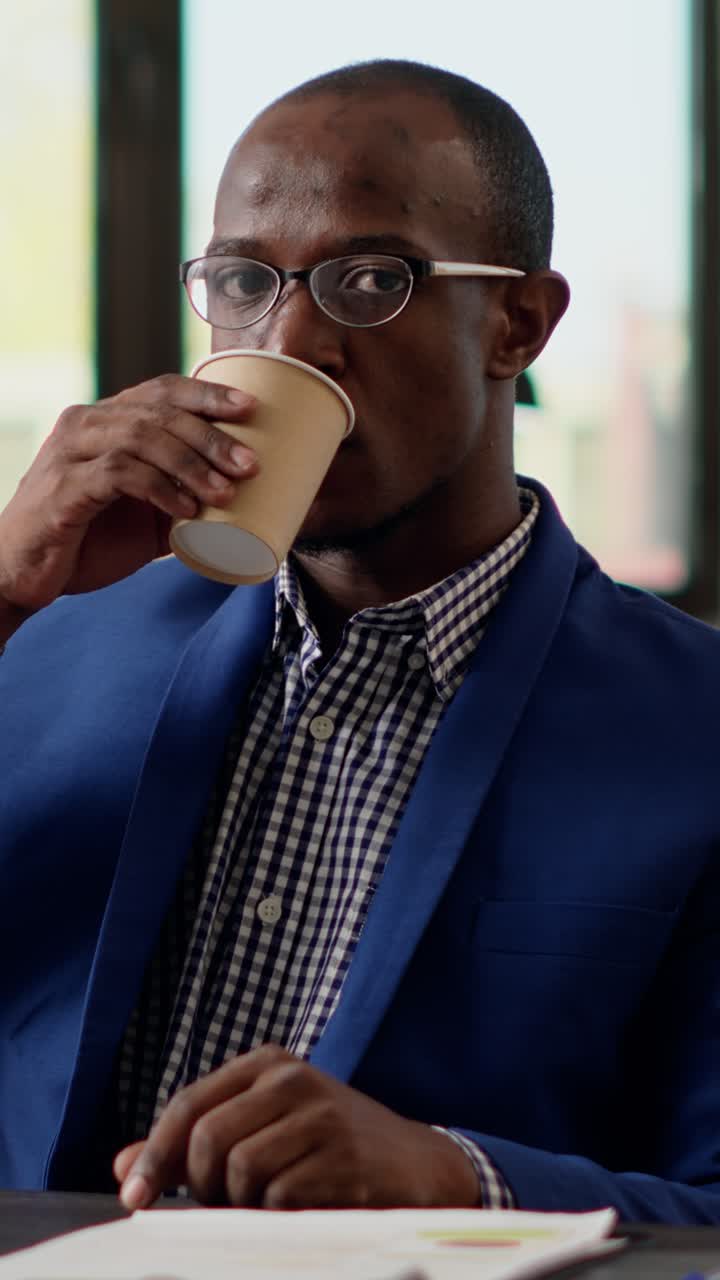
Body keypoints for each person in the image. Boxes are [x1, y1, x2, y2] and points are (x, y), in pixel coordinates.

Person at [0, 58, 719, 1226]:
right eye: (245, 280)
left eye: (373, 279)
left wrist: (459, 1177)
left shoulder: (692, 726)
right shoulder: (53, 641)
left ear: (519, 324)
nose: (293, 339)